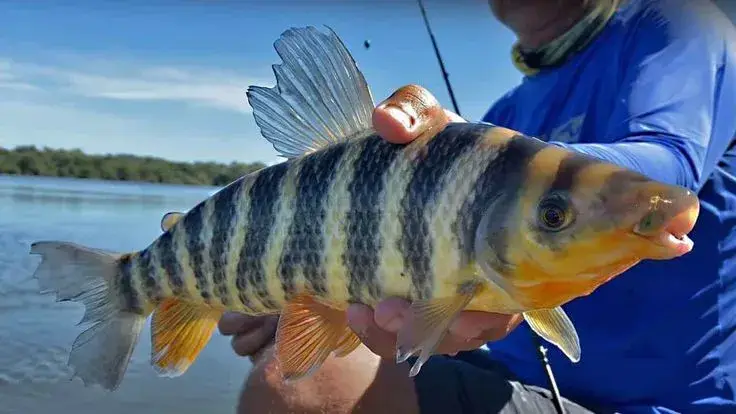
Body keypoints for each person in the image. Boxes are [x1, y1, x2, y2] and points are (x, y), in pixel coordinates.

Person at [218, 0, 736, 412]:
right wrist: (310, 301)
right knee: (294, 372)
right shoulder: (509, 109)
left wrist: (492, 168)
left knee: (300, 392)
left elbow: (668, 163)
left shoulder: (675, 23)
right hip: (505, 376)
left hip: (660, 404)